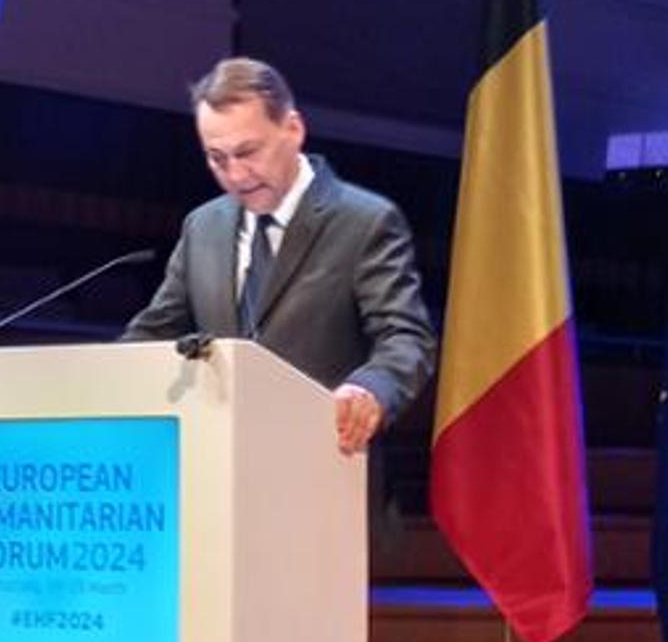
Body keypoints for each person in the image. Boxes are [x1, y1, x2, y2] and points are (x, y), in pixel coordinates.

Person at [123, 57, 436, 455]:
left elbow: (405, 336)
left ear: (293, 129)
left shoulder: (364, 222)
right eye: (217, 158)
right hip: (218, 467)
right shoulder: (203, 226)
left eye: (248, 151)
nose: (235, 175)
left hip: (324, 465)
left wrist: (370, 389)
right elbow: (153, 335)